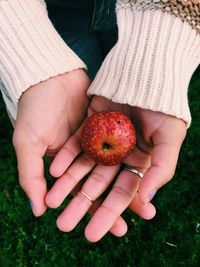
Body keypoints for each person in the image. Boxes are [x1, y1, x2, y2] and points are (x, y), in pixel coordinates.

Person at [0, 0, 199, 242]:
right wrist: (26, 51)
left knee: (113, 80)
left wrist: (158, 47)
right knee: (87, 93)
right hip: (49, 15)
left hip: (136, 9)